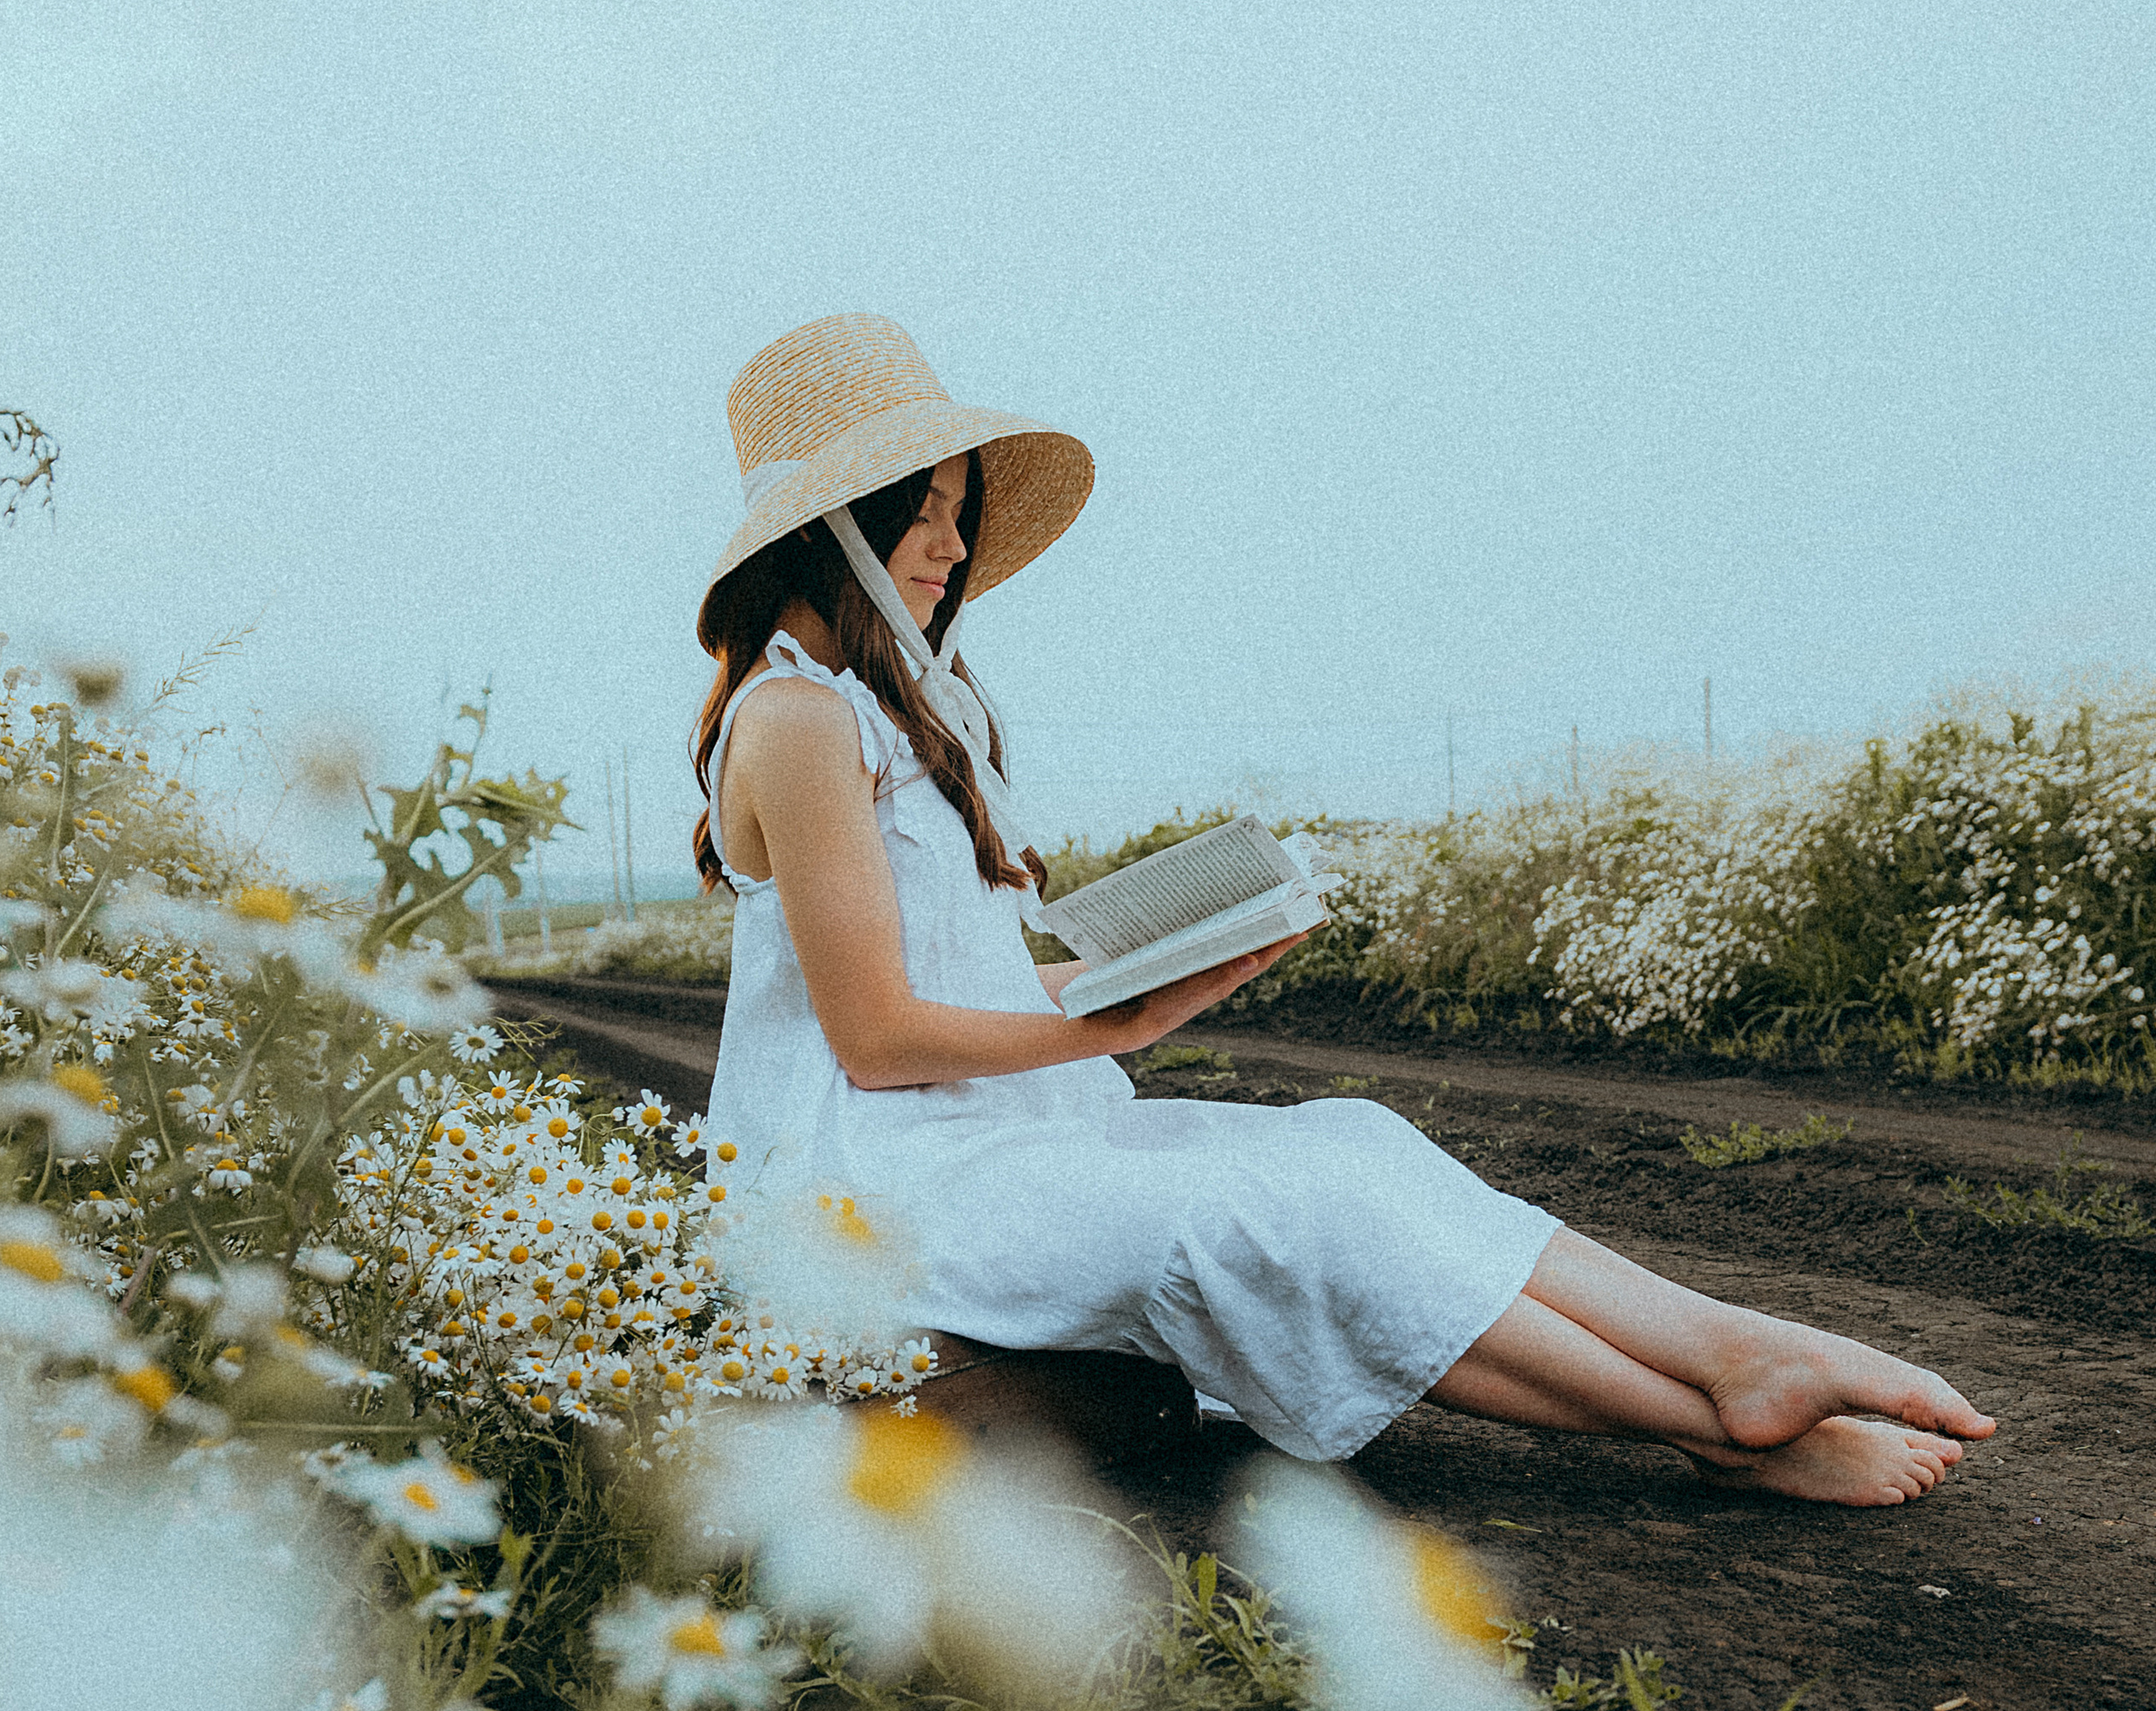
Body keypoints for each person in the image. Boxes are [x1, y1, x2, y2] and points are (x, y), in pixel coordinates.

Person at [692, 313, 1993, 1505]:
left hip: (983, 1141)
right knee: (1268, 1223)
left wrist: (1158, 977)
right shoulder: (796, 717)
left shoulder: (892, 708)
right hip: (872, 1191)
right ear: (822, 529)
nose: (951, 547)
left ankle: (1732, 1350)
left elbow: (956, 986)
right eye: (916, 514)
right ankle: (1716, 1425)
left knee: (1353, 1144)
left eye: (957, 512)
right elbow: (876, 1038)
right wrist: (1116, 1029)